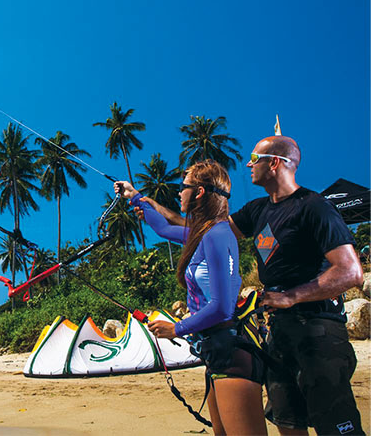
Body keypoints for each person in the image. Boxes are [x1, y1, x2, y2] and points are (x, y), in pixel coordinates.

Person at [133, 136, 365, 436]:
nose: (248, 164)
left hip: (318, 330)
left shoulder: (314, 206)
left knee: (336, 427)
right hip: (279, 332)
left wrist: (292, 296)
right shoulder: (257, 210)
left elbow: (350, 271)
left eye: (255, 158)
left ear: (275, 163)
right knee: (288, 422)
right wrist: (142, 200)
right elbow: (198, 232)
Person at [115, 159, 267, 436]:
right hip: (215, 352)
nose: (178, 193)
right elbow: (162, 228)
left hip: (231, 351)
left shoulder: (218, 234)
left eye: (182, 187)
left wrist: (177, 328)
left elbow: (222, 307)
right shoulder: (202, 235)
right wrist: (134, 195)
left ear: (199, 192)